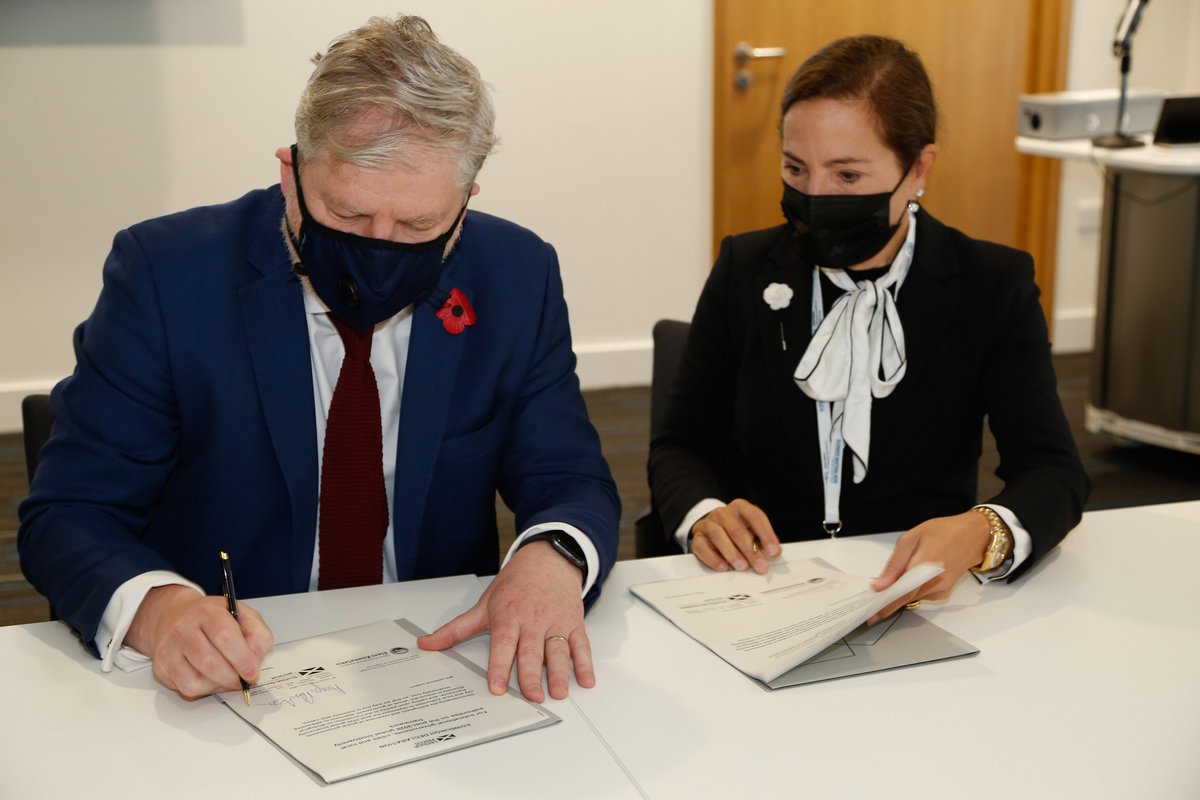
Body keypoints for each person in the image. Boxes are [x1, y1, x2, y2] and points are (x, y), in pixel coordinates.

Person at [18, 14, 619, 705]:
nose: (380, 246)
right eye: (349, 215)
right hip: (232, 675)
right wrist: (163, 613)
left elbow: (569, 474)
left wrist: (552, 558)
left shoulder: (516, 274)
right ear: (291, 171)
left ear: (464, 204)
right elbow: (69, 512)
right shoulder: (167, 276)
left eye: (419, 226)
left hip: (439, 661)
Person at [649, 35, 1088, 619]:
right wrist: (703, 512)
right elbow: (680, 445)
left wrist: (984, 531)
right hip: (757, 586)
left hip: (911, 595)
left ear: (918, 169)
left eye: (847, 177)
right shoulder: (745, 268)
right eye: (795, 169)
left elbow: (1053, 470)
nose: (814, 196)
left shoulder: (991, 283)